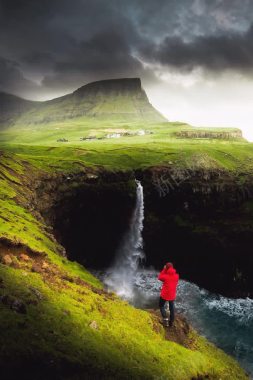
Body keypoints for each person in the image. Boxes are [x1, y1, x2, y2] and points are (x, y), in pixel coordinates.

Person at [158, 262, 179, 327]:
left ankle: (165, 319)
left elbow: (159, 277)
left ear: (167, 268)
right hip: (172, 295)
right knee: (171, 308)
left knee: (161, 306)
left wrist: (164, 269)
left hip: (165, 295)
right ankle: (171, 323)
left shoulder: (165, 276)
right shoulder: (177, 276)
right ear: (172, 267)